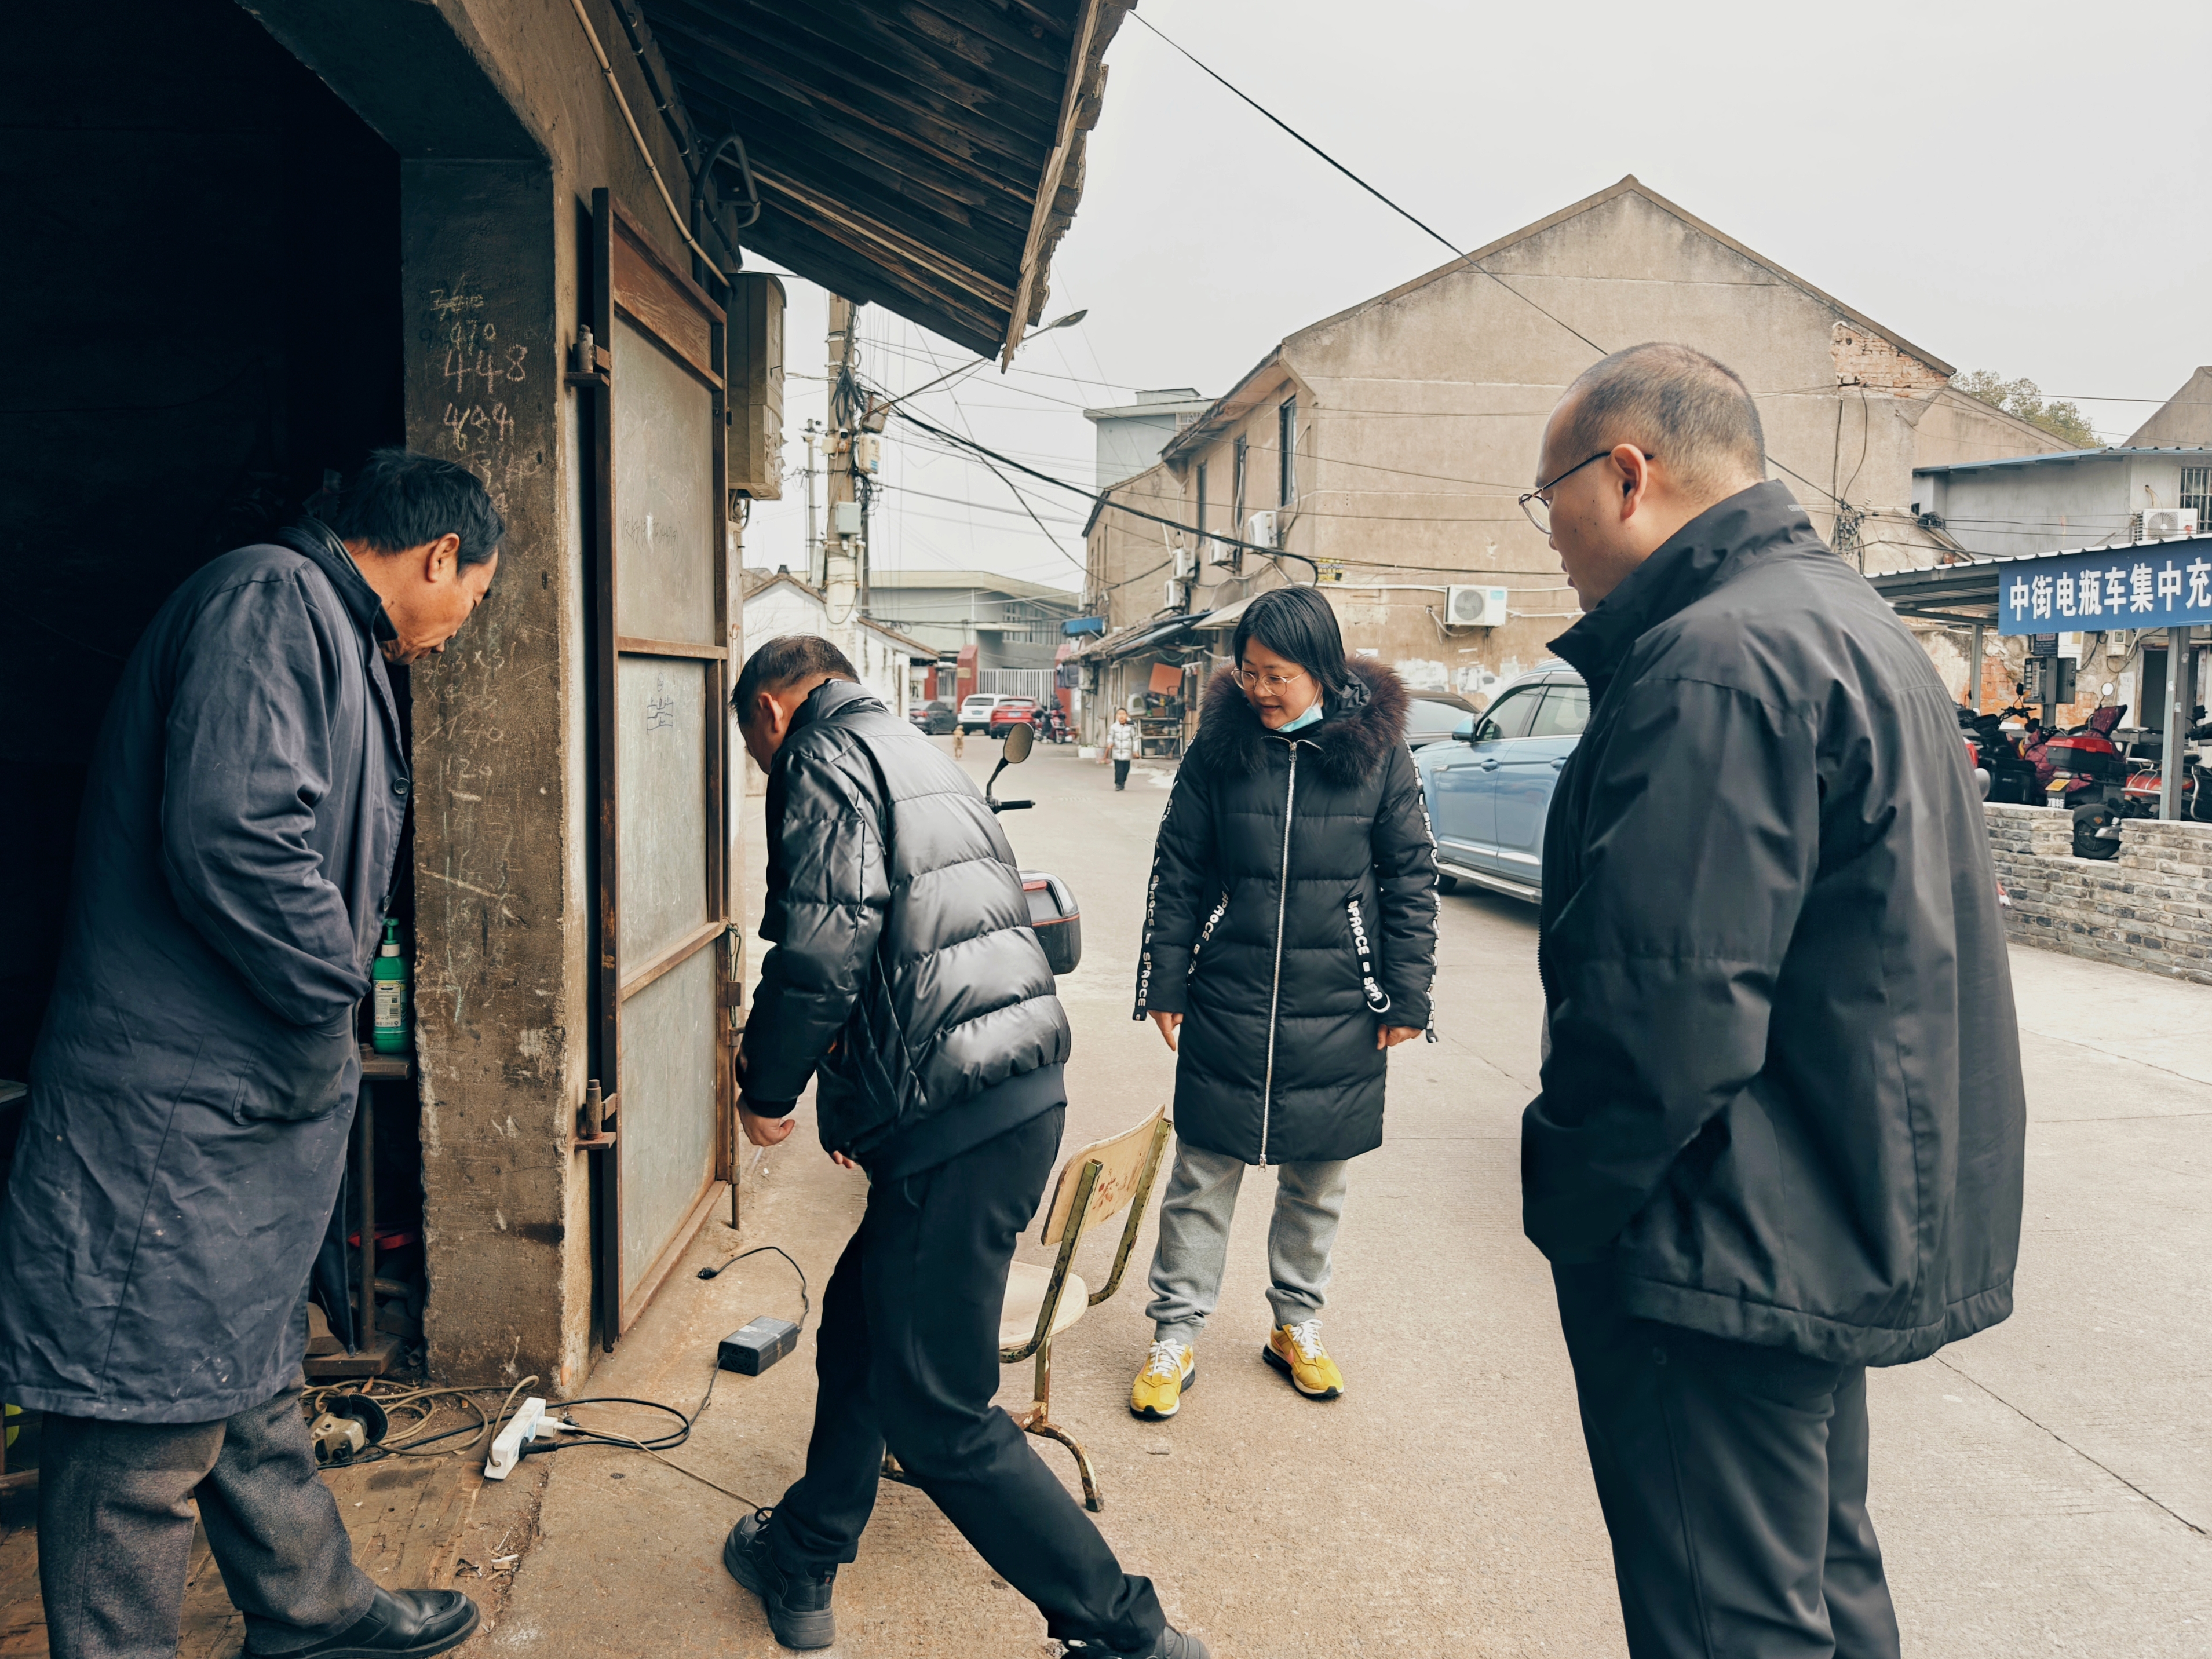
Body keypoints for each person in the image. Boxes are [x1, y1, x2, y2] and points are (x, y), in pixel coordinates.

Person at [1519, 343, 2025, 1658]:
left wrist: (1566, 1196)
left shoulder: (1711, 659)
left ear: (1624, 474)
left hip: (1716, 1241)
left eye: (1549, 499)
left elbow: (1663, 1016)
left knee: (1723, 1620)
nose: (1551, 538)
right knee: (1817, 1586)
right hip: (1814, 1215)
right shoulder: (1851, 626)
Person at [0, 450, 503, 1659]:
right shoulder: (271, 600)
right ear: (440, 557)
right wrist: (339, 990)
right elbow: (234, 834)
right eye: (471, 602)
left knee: (250, 1373)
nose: (454, 631)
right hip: (172, 1106)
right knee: (135, 1428)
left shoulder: (320, 623)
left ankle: (309, 1611)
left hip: (232, 1102)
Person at [723, 635, 1205, 1659]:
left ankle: (1124, 1631)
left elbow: (824, 942)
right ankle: (805, 1544)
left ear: (770, 712)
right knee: (860, 1326)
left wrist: (767, 1088)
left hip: (954, 1116)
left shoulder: (819, 754)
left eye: (757, 751)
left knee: (937, 1409)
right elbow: (927, 937)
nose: (768, 767)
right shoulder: (919, 747)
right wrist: (864, 1107)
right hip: (1003, 1089)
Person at [1129, 587, 1436, 1421]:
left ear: (1323, 671)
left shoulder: (1378, 755)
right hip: (1226, 993)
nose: (1260, 689)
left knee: (1317, 1179)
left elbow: (1409, 880)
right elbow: (1180, 869)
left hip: (1341, 1000)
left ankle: (1296, 1323)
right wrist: (1162, 980)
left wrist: (1407, 993)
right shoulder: (1218, 752)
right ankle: (1174, 1333)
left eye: (1279, 675)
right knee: (1201, 1173)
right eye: (1250, 672)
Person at [1109, 707, 1136, 788]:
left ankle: (1123, 781)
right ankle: (1118, 784)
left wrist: (1135, 751)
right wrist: (1110, 743)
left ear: (1126, 715)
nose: (1121, 716)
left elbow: (1135, 739)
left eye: (1123, 714)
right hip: (1117, 752)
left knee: (1126, 769)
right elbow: (1110, 736)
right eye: (1119, 714)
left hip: (1127, 752)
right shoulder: (1114, 727)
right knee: (1119, 770)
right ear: (1116, 716)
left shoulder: (1131, 726)